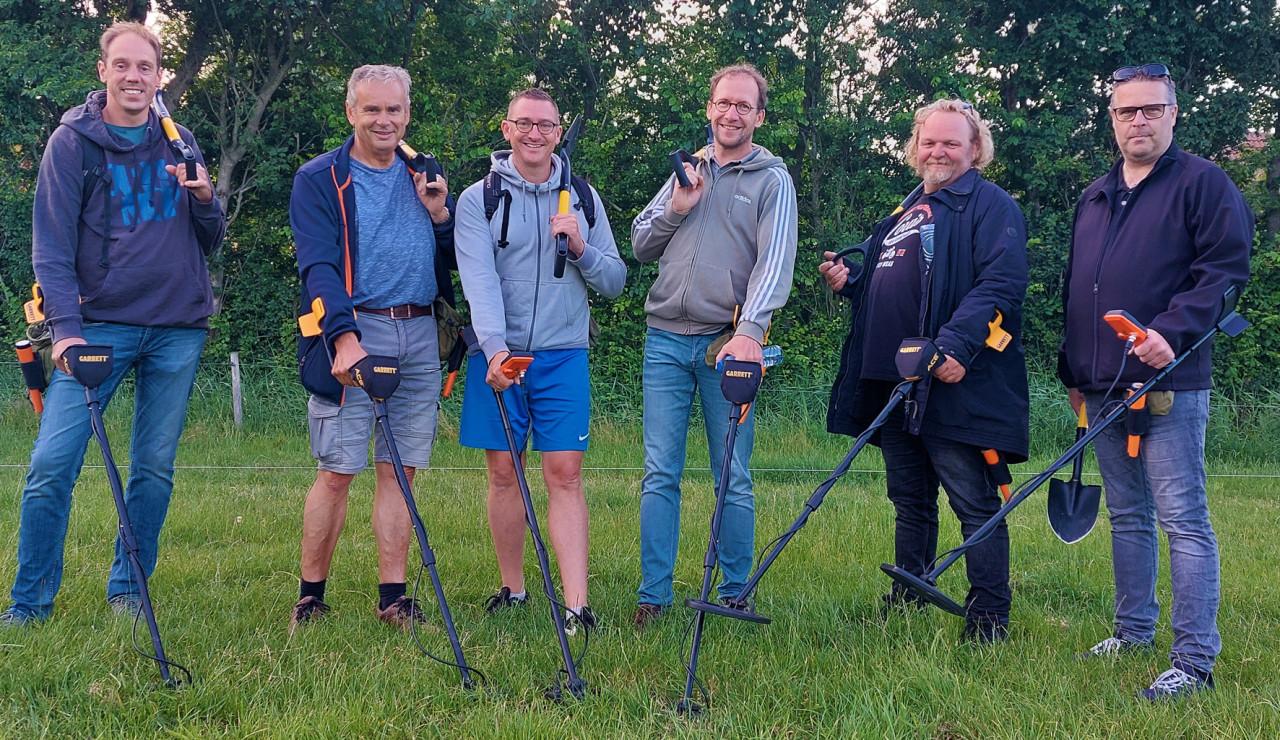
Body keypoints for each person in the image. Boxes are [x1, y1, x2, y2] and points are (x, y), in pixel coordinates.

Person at [1, 22, 225, 626]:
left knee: (153, 467)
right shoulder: (71, 142)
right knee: (53, 464)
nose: (134, 77)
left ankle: (128, 588)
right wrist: (66, 330)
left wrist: (207, 200)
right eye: (122, 65)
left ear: (159, 77)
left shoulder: (181, 140)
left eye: (145, 68)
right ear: (103, 71)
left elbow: (211, 238)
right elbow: (50, 246)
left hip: (177, 327)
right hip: (97, 327)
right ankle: (29, 603)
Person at [1060, 63, 1252, 699]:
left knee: (1182, 518)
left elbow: (1224, 272)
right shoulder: (1095, 195)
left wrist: (1172, 329)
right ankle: (1133, 629)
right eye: (1125, 111)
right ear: (1111, 119)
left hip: (1170, 378)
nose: (1137, 120)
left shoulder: (1204, 185)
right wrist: (1075, 370)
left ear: (1173, 113)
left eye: (1150, 109)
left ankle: (1194, 659)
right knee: (1126, 514)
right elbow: (1080, 290)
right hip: (1104, 382)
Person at [820, 99, 1029, 643]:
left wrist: (955, 347)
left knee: (974, 501)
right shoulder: (909, 206)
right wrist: (853, 279)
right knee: (910, 499)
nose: (938, 151)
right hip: (896, 380)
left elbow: (999, 285)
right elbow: (890, 277)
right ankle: (908, 594)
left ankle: (989, 618)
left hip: (952, 377)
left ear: (974, 149)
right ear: (915, 149)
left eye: (951, 143)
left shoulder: (991, 206)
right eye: (929, 142)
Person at [287, 65, 456, 630]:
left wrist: (439, 214)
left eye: (394, 110)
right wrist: (343, 337)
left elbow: (455, 257)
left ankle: (394, 598)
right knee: (338, 469)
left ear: (407, 114)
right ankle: (311, 597)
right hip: (354, 330)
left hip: (419, 331)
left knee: (400, 471)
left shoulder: (425, 174)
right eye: (371, 109)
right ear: (350, 112)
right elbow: (319, 266)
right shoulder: (319, 179)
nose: (383, 120)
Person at [630, 63, 797, 628]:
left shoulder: (771, 180)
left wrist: (750, 334)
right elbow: (639, 243)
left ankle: (733, 591)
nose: (732, 113)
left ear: (759, 116)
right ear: (710, 108)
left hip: (727, 346)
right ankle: (653, 597)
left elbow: (775, 265)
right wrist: (677, 207)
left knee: (732, 472)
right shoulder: (688, 170)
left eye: (744, 106)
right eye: (724, 103)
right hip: (664, 344)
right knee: (659, 471)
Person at [454, 88, 625, 633]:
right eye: (523, 123)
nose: (534, 134)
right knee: (504, 471)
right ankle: (515, 589)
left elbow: (616, 281)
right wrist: (496, 348)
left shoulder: (583, 198)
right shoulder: (476, 199)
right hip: (497, 354)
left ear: (558, 133)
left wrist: (579, 247)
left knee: (565, 473)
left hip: (563, 355)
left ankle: (577, 605)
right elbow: (478, 280)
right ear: (506, 130)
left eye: (545, 125)